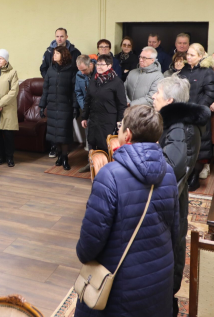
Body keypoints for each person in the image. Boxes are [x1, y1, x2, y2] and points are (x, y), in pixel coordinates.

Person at [75, 105, 179, 317]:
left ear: (128, 135)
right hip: (160, 281)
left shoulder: (109, 175)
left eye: (120, 127)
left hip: (121, 288)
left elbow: (88, 247)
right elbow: (175, 233)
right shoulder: (169, 173)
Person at [153, 76, 209, 317]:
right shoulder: (180, 124)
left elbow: (168, 169)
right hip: (175, 198)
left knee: (168, 251)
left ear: (169, 100)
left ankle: (166, 304)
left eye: (157, 92)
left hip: (169, 203)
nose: (153, 96)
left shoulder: (178, 128)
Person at [179, 43, 214, 190]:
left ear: (200, 56)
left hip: (198, 115)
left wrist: (197, 109)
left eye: (192, 55)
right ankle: (185, 176)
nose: (188, 57)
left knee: (199, 147)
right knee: (185, 146)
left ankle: (194, 177)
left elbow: (211, 93)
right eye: (187, 54)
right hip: (183, 114)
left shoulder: (206, 71)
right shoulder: (184, 70)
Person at [39, 47, 78, 170]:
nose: (54, 55)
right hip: (52, 106)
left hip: (65, 106)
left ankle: (65, 158)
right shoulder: (51, 69)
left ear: (63, 55)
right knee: (54, 134)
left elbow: (74, 91)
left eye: (57, 53)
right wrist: (42, 106)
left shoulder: (72, 70)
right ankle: (59, 156)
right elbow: (46, 89)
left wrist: (75, 107)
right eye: (54, 53)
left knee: (64, 134)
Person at [81, 54, 126, 152]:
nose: (99, 67)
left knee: (105, 146)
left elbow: (122, 105)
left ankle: (105, 162)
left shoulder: (117, 82)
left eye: (102, 64)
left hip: (108, 120)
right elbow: (88, 99)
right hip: (94, 119)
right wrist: (84, 117)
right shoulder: (94, 79)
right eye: (98, 64)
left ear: (109, 66)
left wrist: (120, 124)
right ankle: (93, 161)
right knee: (92, 143)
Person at [75, 55, 96, 173]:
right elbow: (78, 93)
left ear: (91, 65)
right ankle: (90, 163)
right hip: (87, 112)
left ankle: (102, 163)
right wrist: (85, 109)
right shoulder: (79, 74)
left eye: (84, 70)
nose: (82, 73)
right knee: (89, 139)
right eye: (80, 70)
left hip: (100, 112)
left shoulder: (99, 73)